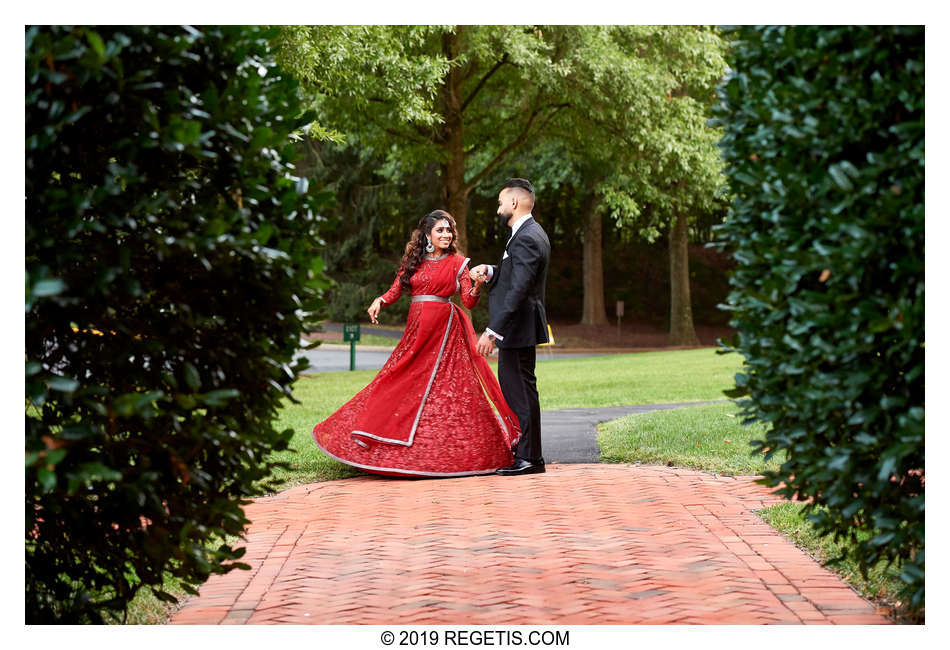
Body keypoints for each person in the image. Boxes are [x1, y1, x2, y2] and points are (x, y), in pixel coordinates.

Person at [311, 210, 521, 477]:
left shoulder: (458, 263)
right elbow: (397, 288)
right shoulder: (414, 260)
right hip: (416, 329)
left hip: (445, 331)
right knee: (397, 377)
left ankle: (457, 454)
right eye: (440, 230)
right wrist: (381, 301)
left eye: (449, 231)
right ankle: (372, 436)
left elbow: (468, 301)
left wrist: (477, 286)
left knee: (447, 390)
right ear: (427, 235)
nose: (446, 235)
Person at [470, 178, 551, 476]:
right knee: (521, 390)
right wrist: (491, 271)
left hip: (517, 327)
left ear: (515, 203)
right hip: (519, 327)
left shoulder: (528, 236)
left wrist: (492, 331)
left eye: (501, 202)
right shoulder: (527, 233)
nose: (499, 207)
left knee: (519, 391)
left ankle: (529, 458)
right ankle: (530, 455)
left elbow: (519, 289)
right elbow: (514, 274)